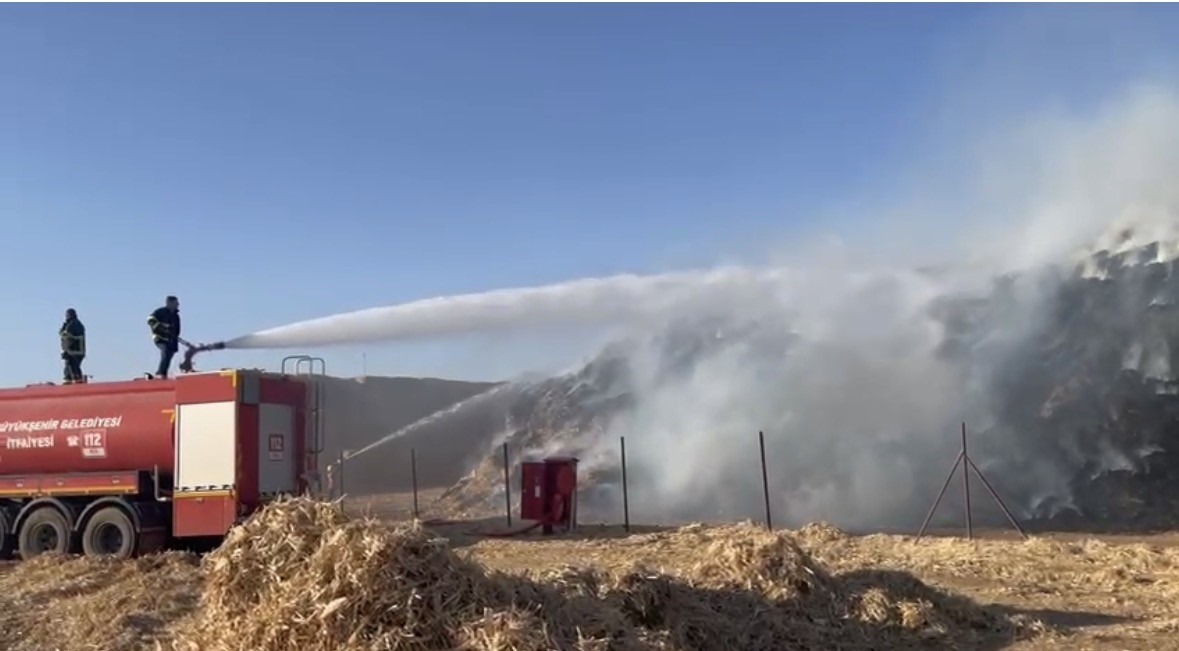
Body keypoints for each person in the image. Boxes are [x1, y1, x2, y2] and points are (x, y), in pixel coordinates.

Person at [147, 295, 182, 379]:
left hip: (171, 339)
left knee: (170, 354)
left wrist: (175, 336)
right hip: (160, 338)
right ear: (169, 303)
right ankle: (160, 373)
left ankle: (164, 373)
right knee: (165, 352)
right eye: (176, 303)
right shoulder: (160, 312)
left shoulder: (176, 316)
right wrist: (159, 327)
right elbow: (150, 319)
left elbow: (177, 329)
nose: (178, 304)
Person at [60, 308, 86, 384]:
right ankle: (72, 379)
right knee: (71, 366)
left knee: (72, 366)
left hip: (73, 351)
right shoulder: (77, 324)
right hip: (75, 351)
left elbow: (64, 334)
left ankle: (75, 380)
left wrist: (65, 325)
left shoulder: (73, 324)